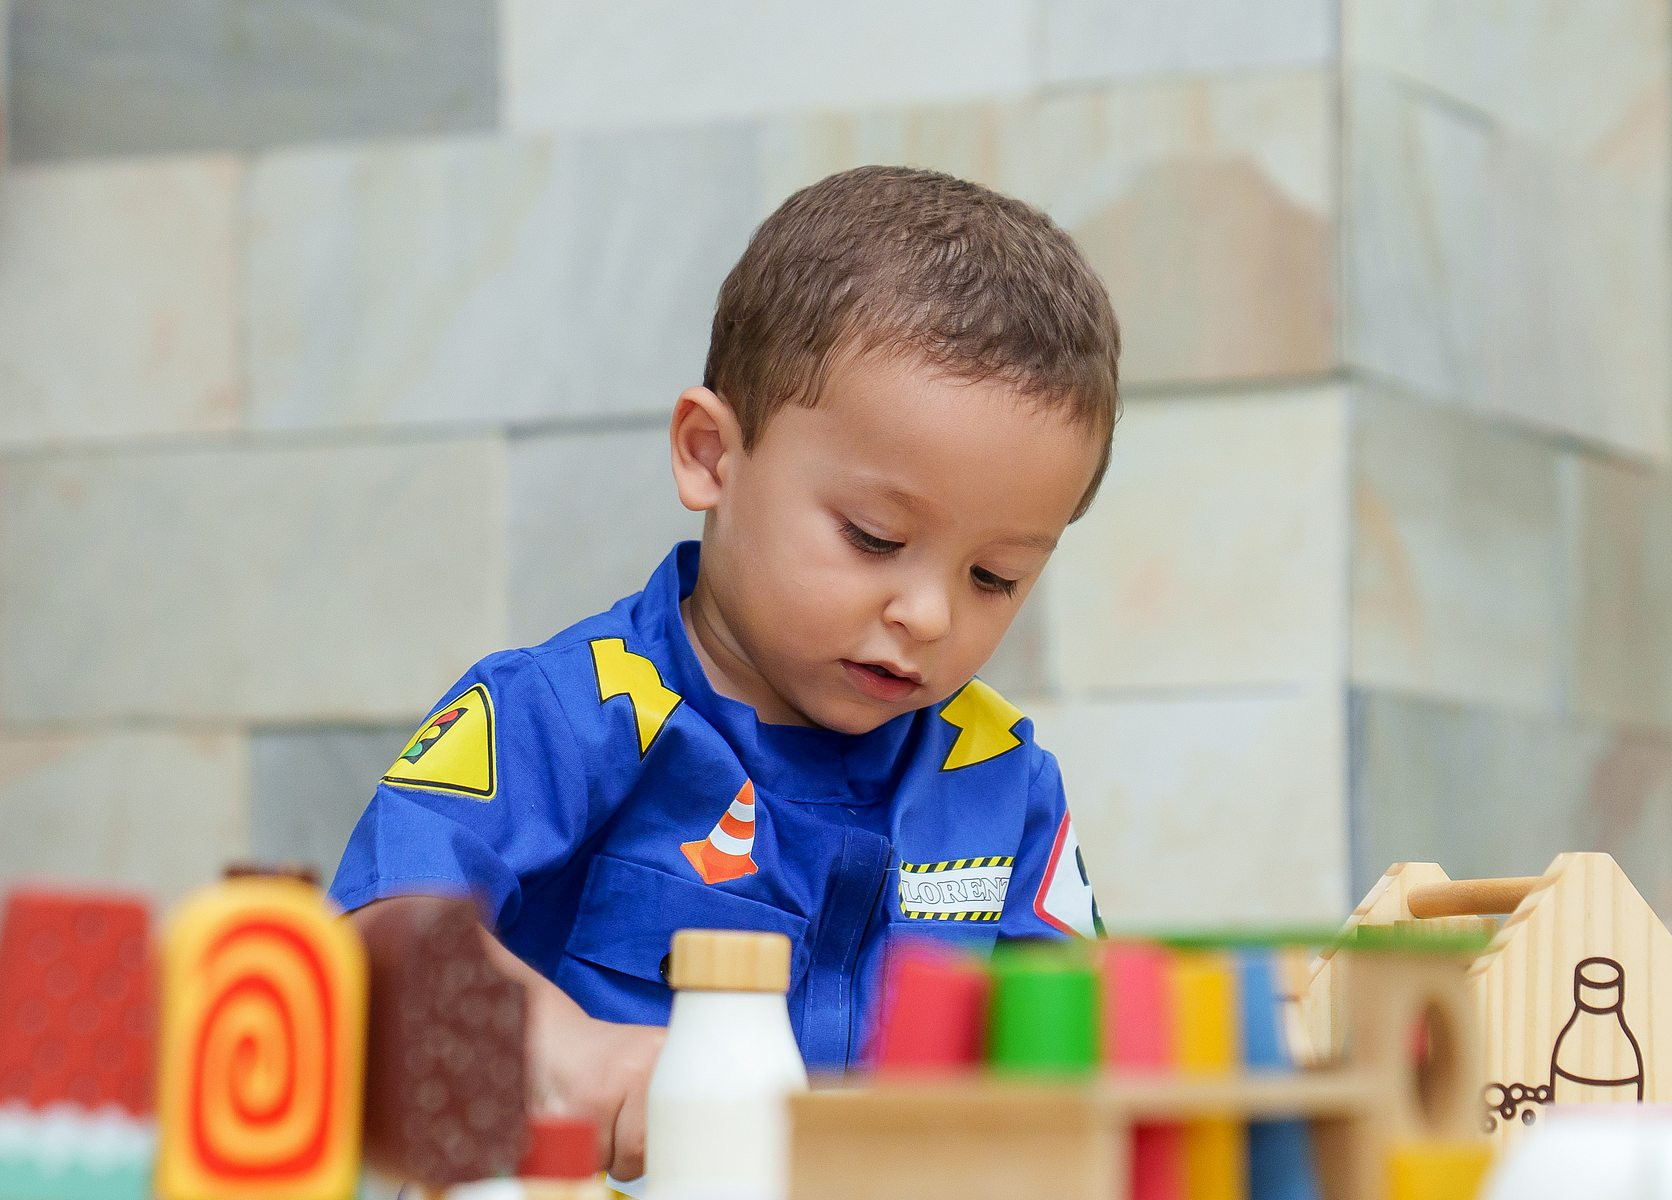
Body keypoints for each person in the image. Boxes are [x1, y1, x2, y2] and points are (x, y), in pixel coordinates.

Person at [328, 164, 1120, 1182]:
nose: (928, 615)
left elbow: (1089, 1059)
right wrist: (564, 1049)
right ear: (710, 455)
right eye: (874, 537)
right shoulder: (563, 715)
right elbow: (376, 941)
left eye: (994, 577)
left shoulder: (1002, 784)